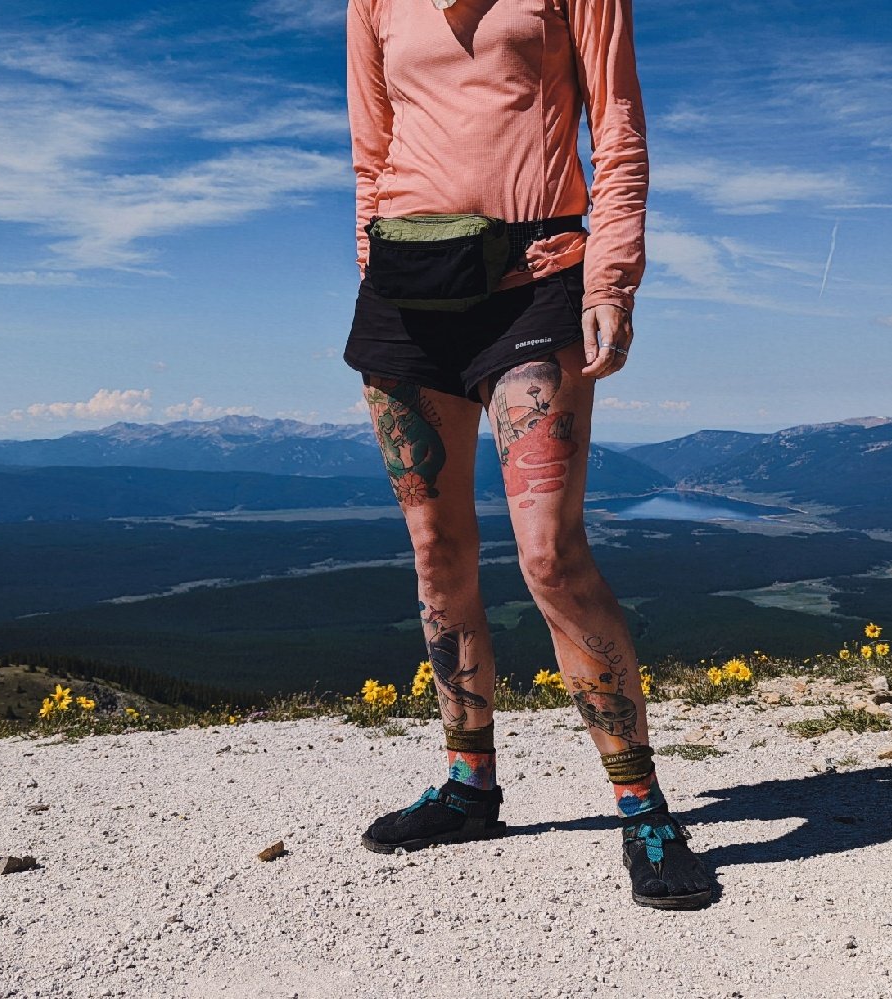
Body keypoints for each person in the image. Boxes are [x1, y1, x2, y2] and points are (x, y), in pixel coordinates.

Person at [343, 0, 712, 909]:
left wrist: (611, 275)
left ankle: (643, 807)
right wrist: (373, 261)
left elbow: (617, 129)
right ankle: (471, 788)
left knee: (549, 552)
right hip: (406, 286)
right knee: (437, 553)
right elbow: (371, 141)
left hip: (537, 277)